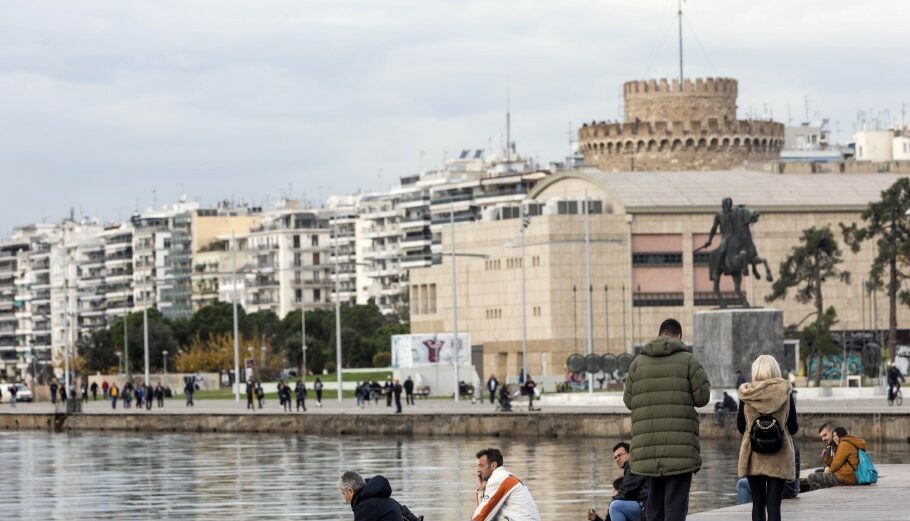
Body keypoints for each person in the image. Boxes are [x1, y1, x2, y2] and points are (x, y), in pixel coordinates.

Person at [622, 318, 710, 521]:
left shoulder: (637, 363)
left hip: (648, 449)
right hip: (680, 449)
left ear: (659, 333)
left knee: (654, 505)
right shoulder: (689, 361)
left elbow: (628, 401)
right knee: (676, 506)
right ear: (679, 336)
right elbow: (702, 398)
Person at [736, 355, 798, 521]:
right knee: (774, 505)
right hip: (779, 455)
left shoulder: (747, 394)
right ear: (775, 369)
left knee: (757, 502)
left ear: (755, 371)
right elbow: (793, 427)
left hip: (753, 455)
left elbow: (741, 427)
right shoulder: (785, 392)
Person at [473, 448, 540, 521]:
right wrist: (481, 490)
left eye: (481, 466)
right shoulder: (506, 477)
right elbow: (485, 512)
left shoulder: (498, 480)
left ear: (493, 465)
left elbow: (480, 517)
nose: (478, 470)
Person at [588, 441, 648, 521]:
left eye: (620, 455)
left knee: (615, 506)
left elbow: (626, 491)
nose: (617, 459)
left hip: (647, 508)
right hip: (643, 509)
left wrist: (611, 504)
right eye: (615, 457)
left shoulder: (633, 466)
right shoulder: (629, 472)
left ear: (630, 453)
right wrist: (596, 519)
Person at [736, 445, 801, 505]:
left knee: (741, 484)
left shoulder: (777, 446)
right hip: (794, 489)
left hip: (780, 489)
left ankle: (744, 507)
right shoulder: (793, 447)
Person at [338, 471, 404, 521]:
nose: (345, 499)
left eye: (343, 493)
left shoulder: (364, 506)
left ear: (350, 491)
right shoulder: (386, 499)